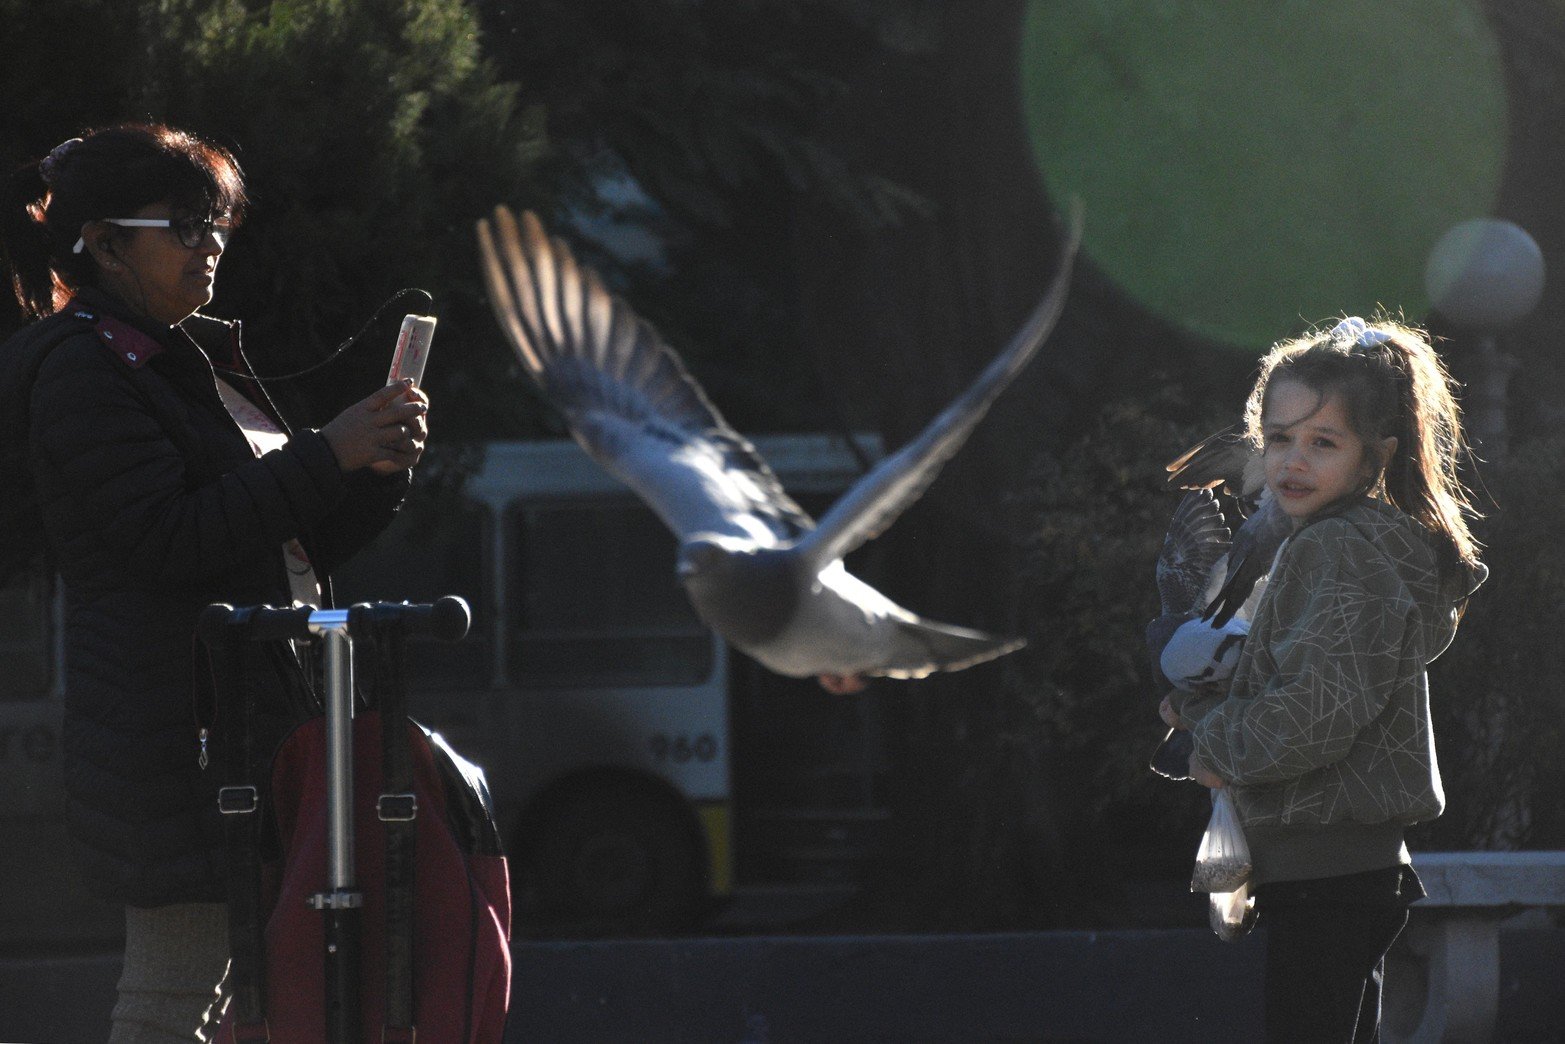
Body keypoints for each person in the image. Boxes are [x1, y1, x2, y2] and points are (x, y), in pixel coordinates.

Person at [0, 123, 430, 1041]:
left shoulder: (164, 355)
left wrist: (372, 468)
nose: (211, 249)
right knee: (174, 992)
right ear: (106, 244)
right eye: (186, 226)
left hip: (224, 720)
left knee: (218, 993)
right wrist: (327, 453)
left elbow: (279, 543)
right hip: (172, 730)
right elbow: (166, 540)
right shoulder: (85, 366)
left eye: (219, 228)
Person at [1159, 316, 1486, 1042]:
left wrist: (1205, 737)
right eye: (1278, 439)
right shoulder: (1352, 544)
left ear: (1377, 457)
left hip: (1327, 872)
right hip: (1343, 868)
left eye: (1322, 443)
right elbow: (1318, 681)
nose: (1291, 462)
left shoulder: (1336, 549)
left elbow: (1313, 715)